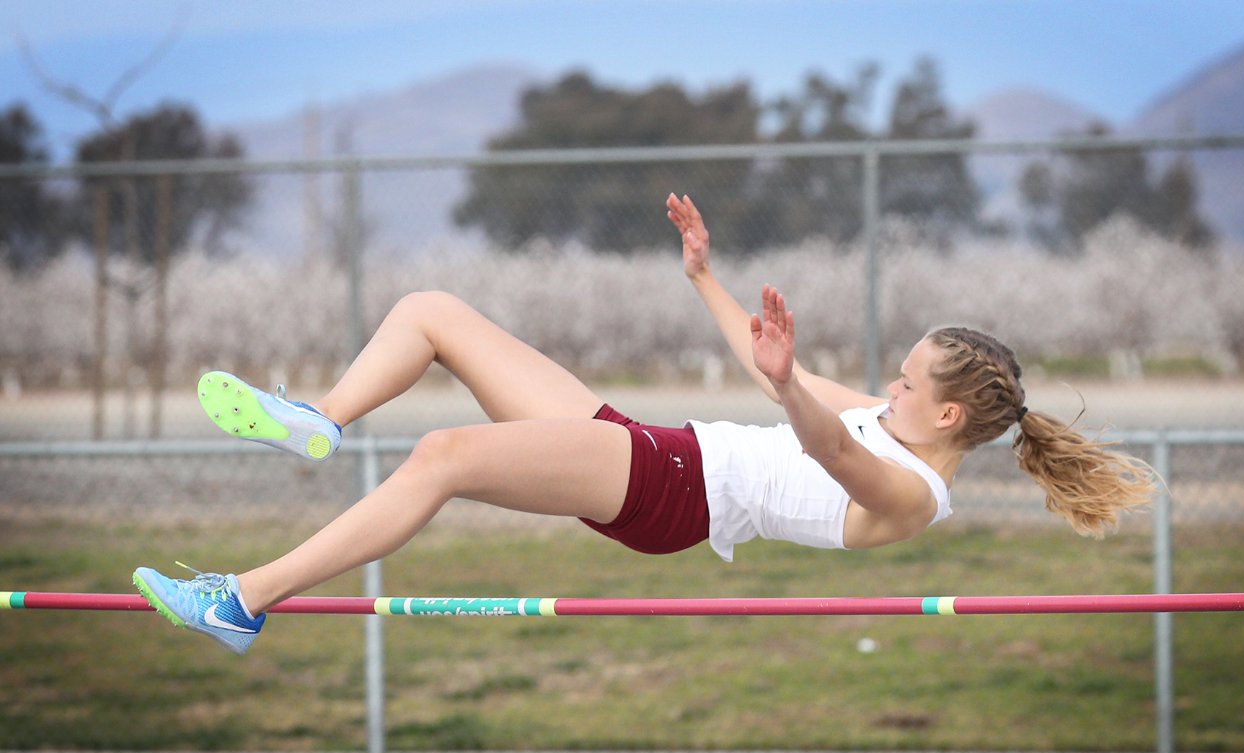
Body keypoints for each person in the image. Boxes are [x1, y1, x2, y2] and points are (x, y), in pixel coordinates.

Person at [133, 193, 1158, 654]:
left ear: (943, 412)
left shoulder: (911, 489)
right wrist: (705, 279)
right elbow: (782, 381)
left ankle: (242, 601)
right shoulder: (890, 422)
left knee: (440, 456)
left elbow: (822, 441)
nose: (883, 386)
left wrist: (791, 385)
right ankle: (318, 419)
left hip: (672, 490)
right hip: (655, 451)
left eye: (900, 381)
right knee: (433, 313)